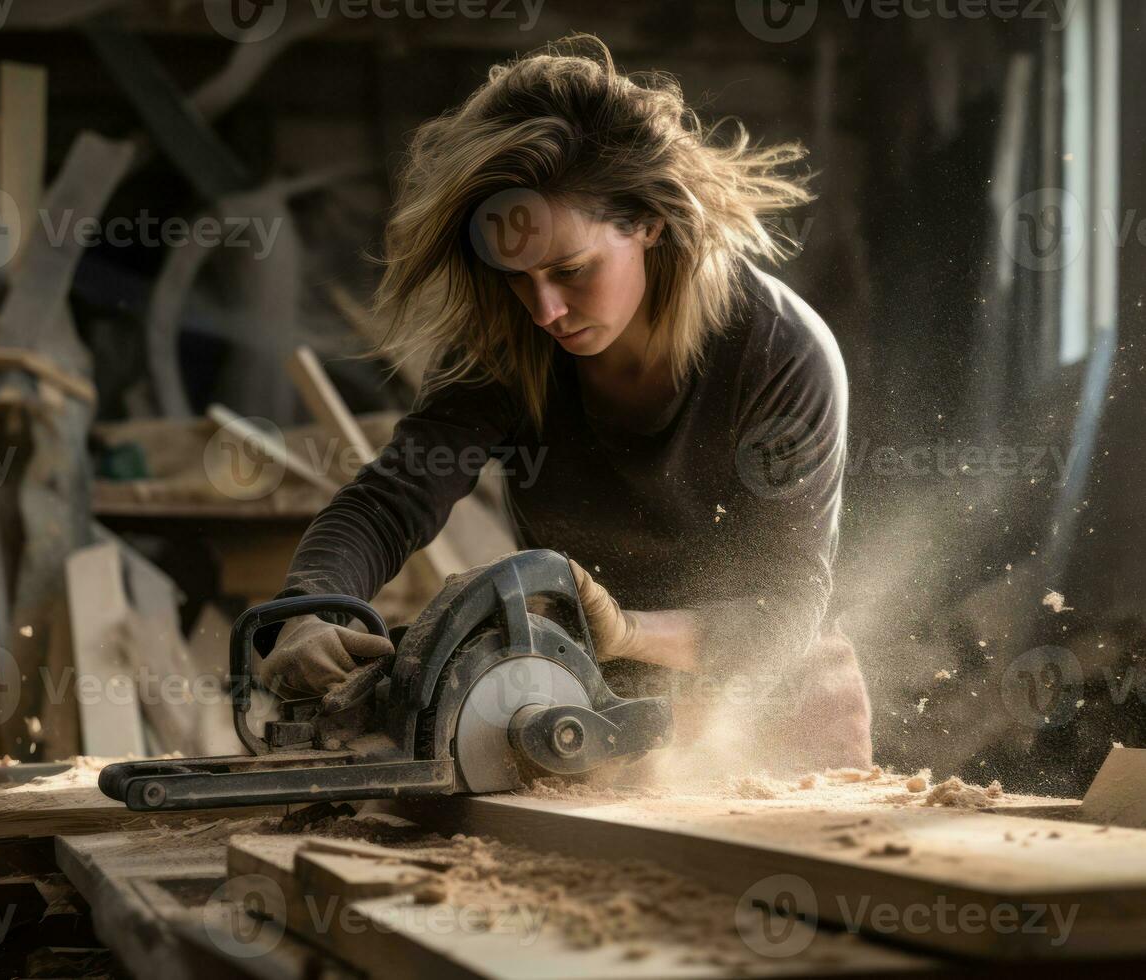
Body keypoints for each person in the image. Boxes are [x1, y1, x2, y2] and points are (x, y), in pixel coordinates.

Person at [257, 36, 871, 774]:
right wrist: (306, 610)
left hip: (770, 708)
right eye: (517, 278)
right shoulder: (508, 341)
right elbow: (390, 501)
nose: (545, 308)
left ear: (647, 222)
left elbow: (785, 611)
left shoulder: (776, 353)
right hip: (578, 701)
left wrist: (627, 631)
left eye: (571, 270)